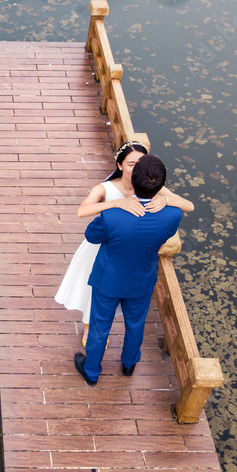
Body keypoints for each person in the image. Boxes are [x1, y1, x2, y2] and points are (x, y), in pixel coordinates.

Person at [54, 140, 193, 345]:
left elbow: (188, 205)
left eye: (141, 163)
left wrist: (166, 200)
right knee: (90, 292)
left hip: (130, 252)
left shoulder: (153, 185)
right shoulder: (105, 188)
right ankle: (88, 328)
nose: (136, 168)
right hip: (101, 248)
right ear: (119, 165)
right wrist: (119, 203)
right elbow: (82, 211)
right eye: (131, 164)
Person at [74, 154, 183, 385]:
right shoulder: (172, 214)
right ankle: (129, 363)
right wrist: (165, 200)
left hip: (108, 280)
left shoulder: (113, 215)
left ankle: (92, 370)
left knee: (99, 326)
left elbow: (92, 237)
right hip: (142, 280)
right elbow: (179, 213)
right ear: (160, 184)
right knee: (136, 323)